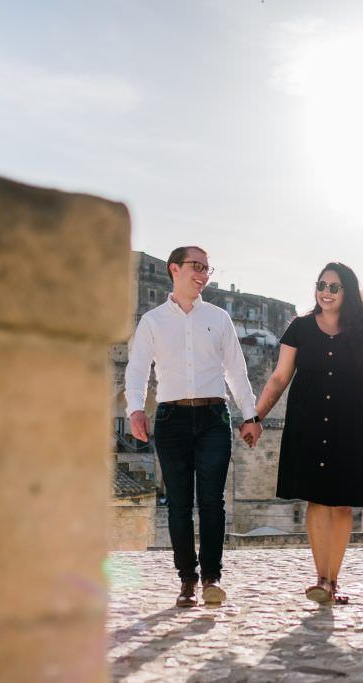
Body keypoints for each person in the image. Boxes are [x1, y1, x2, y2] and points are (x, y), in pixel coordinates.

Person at [252, 262, 363, 604]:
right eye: (321, 285)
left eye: (334, 287)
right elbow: (279, 378)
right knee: (316, 499)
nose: (325, 292)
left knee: (341, 504)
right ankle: (320, 577)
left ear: (347, 293)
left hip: (353, 422)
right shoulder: (299, 328)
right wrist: (256, 416)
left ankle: (332, 580)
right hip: (308, 420)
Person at [125, 246, 263, 607]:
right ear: (175, 269)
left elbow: (236, 370)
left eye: (207, 268)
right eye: (196, 266)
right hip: (171, 418)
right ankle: (186, 579)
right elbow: (138, 369)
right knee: (179, 505)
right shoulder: (153, 321)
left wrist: (250, 416)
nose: (203, 274)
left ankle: (211, 578)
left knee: (213, 502)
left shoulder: (218, 318)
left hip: (214, 417)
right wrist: (135, 410)